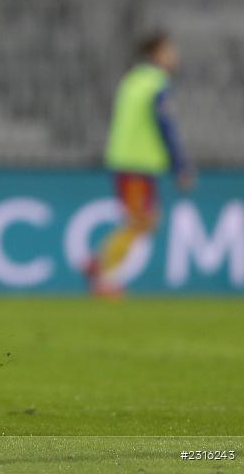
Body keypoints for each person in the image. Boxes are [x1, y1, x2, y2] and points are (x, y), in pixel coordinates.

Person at [86, 31, 194, 296]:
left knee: (145, 221)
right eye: (170, 51)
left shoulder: (132, 80)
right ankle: (103, 274)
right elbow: (165, 124)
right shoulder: (156, 83)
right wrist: (180, 164)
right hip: (138, 162)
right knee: (140, 222)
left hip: (127, 159)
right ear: (157, 53)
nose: (174, 57)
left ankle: (102, 270)